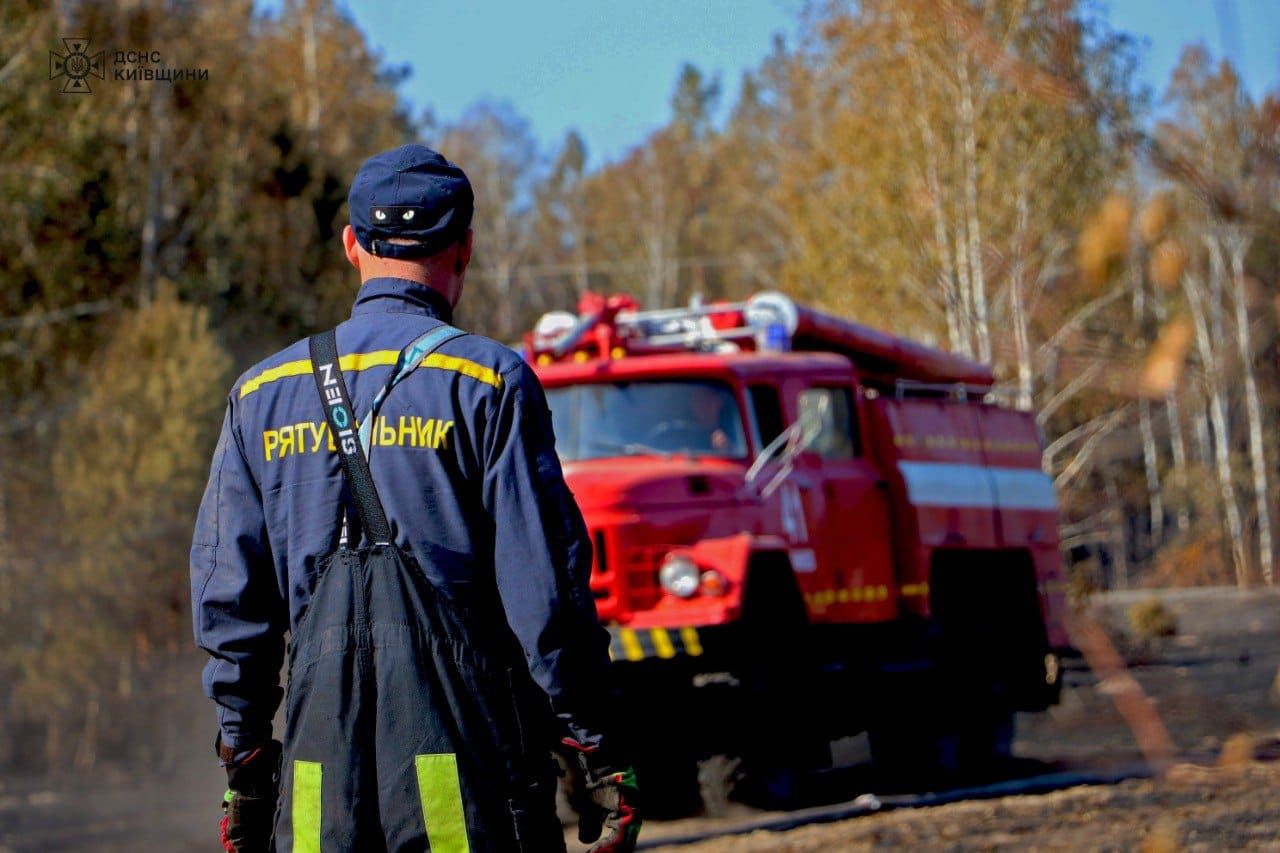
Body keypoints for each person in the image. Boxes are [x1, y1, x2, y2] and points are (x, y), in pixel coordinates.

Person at [191, 144, 640, 852]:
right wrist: (595, 746)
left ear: (351, 245)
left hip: (314, 793)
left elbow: (230, 605)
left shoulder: (260, 396)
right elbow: (546, 598)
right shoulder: (488, 384)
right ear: (462, 248)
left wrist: (245, 759)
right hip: (458, 782)